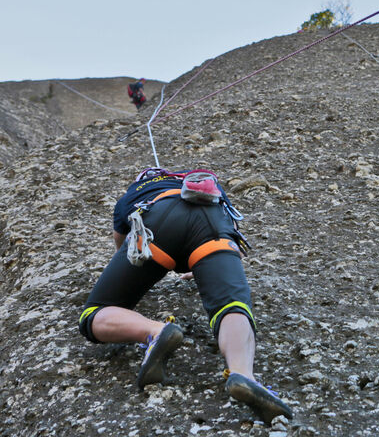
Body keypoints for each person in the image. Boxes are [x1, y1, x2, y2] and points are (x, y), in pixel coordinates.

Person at [78, 167, 293, 425]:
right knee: (232, 306)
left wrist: (133, 278)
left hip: (157, 224)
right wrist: (201, 267)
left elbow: (121, 243)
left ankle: (156, 332)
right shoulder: (199, 179)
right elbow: (232, 227)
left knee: (95, 312)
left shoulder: (132, 194)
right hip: (212, 224)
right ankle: (243, 373)